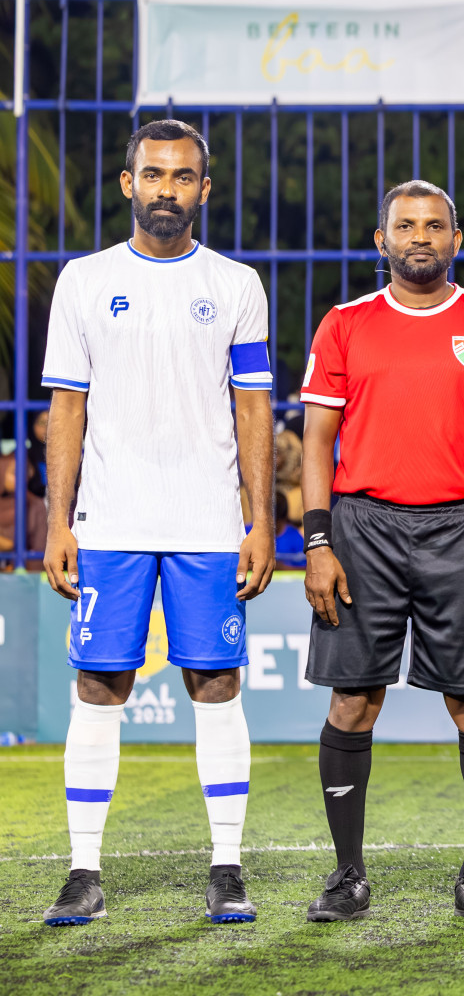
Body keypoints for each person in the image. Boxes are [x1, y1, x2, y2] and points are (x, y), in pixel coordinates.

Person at [38, 119, 276, 926]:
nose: (165, 189)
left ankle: (226, 867)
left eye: (181, 177)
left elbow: (253, 408)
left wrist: (259, 521)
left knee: (216, 684)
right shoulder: (83, 280)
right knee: (99, 686)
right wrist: (60, 521)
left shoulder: (237, 284)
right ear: (128, 183)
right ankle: (83, 871)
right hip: (110, 523)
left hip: (209, 524)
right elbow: (66, 405)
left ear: (204, 189)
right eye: (153, 174)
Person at [299, 180, 464, 924]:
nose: (420, 237)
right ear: (382, 240)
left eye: (435, 225)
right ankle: (347, 875)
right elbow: (316, 440)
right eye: (405, 226)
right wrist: (317, 540)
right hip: (362, 529)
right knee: (353, 702)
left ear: (456, 239)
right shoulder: (345, 324)